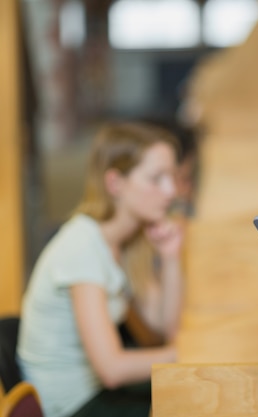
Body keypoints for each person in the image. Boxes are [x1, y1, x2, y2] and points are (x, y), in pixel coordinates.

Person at [17, 121, 185, 417]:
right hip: (72, 405)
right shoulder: (82, 247)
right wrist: (186, 355)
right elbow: (112, 369)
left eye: (172, 176)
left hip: (97, 390)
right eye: (156, 179)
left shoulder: (127, 242)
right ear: (115, 184)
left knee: (189, 391)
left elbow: (162, 329)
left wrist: (170, 257)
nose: (171, 191)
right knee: (188, 402)